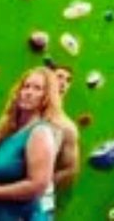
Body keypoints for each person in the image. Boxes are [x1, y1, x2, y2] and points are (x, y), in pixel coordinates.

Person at [0, 66, 62, 221]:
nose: (29, 92)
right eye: (26, 86)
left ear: (46, 97)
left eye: (37, 89)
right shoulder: (11, 133)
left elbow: (38, 186)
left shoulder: (40, 133)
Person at [47, 65, 81, 210]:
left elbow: (71, 169)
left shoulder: (66, 126)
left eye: (68, 80)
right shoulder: (23, 114)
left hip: (38, 201)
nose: (63, 83)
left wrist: (39, 185)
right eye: (59, 76)